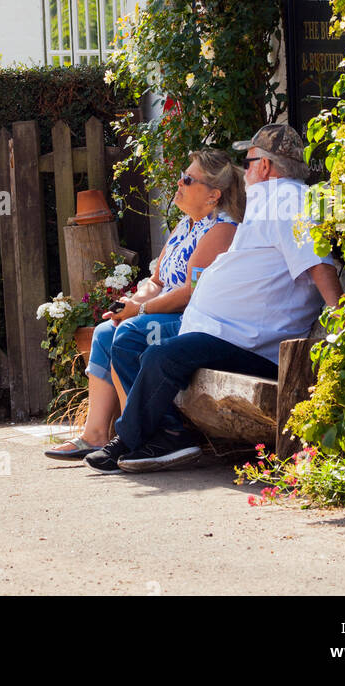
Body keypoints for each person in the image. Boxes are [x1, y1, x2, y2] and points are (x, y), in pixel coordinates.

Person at [85, 124, 343, 474]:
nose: (245, 173)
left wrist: (342, 316)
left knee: (161, 354)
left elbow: (316, 260)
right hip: (224, 333)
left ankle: (127, 441)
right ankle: (167, 434)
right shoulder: (269, 203)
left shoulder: (285, 199)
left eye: (248, 162)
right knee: (135, 343)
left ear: (265, 166)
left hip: (252, 345)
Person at [45, 150, 243, 461]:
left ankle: (139, 436)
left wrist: (138, 312)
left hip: (193, 320)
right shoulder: (185, 227)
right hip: (165, 312)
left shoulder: (222, 229)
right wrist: (133, 302)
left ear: (213, 195)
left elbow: (191, 293)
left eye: (188, 179)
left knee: (131, 332)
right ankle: (96, 434)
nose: (179, 182)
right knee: (103, 331)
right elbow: (158, 280)